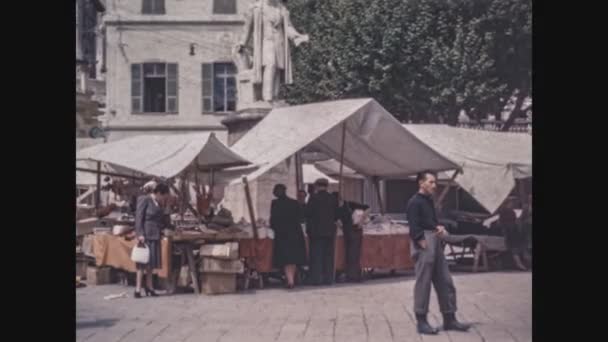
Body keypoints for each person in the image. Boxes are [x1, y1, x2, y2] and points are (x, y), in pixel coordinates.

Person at [407, 171, 470, 335]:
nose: (434, 186)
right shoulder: (414, 202)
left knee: (445, 280)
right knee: (424, 282)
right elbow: (414, 225)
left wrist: (438, 227)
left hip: (434, 239)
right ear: (421, 183)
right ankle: (422, 321)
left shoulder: (429, 201)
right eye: (431, 182)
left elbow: (430, 221)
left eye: (435, 183)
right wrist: (421, 241)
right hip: (424, 242)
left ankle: (450, 318)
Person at [236, 0, 309, 102]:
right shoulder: (256, 8)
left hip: (279, 43)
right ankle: (267, 97)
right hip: (265, 42)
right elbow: (248, 28)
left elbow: (288, 27)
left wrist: (297, 37)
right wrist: (242, 43)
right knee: (270, 64)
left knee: (278, 69)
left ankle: (275, 97)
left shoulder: (281, 9)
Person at [134, 182, 171, 298]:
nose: (164, 199)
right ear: (159, 193)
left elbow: (161, 220)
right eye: (163, 196)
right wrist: (140, 233)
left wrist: (167, 228)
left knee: (151, 264)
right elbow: (139, 217)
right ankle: (138, 289)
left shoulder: (158, 203)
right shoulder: (144, 199)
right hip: (145, 235)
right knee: (142, 263)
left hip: (155, 235)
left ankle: (149, 287)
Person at [270, 184, 307, 289]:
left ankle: (290, 280)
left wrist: (274, 228)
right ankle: (290, 279)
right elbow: (301, 218)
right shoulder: (294, 203)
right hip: (295, 233)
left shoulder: (275, 203)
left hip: (282, 234)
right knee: (293, 258)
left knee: (286, 259)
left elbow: (273, 220)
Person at [305, 178, 339, 285]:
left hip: (316, 231)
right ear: (327, 186)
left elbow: (308, 213)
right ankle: (329, 279)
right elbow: (336, 214)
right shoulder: (332, 198)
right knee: (329, 256)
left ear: (316, 186)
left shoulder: (313, 198)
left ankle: (316, 279)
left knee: (317, 256)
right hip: (330, 231)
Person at [332, 192, 369, 282]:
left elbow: (367, 208)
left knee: (354, 253)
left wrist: (361, 221)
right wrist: (341, 226)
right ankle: (351, 275)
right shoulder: (336, 208)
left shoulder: (350, 204)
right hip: (347, 231)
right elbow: (336, 220)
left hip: (356, 230)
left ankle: (354, 276)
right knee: (350, 253)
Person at [498, 197, 530, 271]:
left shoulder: (512, 211)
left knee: (520, 243)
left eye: (513, 202)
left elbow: (515, 221)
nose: (513, 204)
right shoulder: (504, 211)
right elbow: (502, 223)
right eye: (512, 202)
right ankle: (519, 263)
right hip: (509, 231)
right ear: (508, 203)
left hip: (513, 231)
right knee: (515, 245)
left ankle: (522, 261)